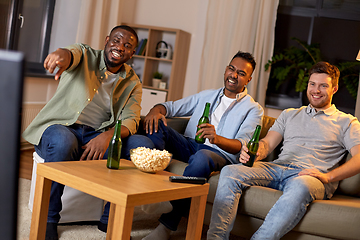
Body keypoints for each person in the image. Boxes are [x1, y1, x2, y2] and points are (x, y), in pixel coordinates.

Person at [207, 61, 360, 240]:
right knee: (231, 171)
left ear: (334, 89)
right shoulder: (289, 114)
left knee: (301, 186)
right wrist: (254, 153)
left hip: (309, 177)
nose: (316, 90)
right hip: (277, 168)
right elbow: (267, 144)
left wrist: (329, 177)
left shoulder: (347, 122)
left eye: (323, 86)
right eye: (312, 84)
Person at [22, 25, 141, 240]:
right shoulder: (86, 55)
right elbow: (71, 55)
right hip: (60, 127)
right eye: (116, 40)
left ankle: (110, 219)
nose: (119, 47)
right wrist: (60, 54)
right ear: (106, 41)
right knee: (64, 142)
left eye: (127, 45)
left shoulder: (132, 82)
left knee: (127, 150)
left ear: (133, 53)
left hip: (97, 135)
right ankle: (49, 218)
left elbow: (132, 119)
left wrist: (106, 137)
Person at [135, 51, 264, 240]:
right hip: (189, 144)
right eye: (231, 69)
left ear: (249, 79)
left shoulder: (253, 109)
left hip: (218, 154)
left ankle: (165, 227)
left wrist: (216, 138)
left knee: (203, 157)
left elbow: (242, 145)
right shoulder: (207, 95)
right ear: (226, 69)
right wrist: (156, 110)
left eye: (241, 73)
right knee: (159, 125)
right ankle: (152, 190)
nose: (234, 75)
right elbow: (170, 107)